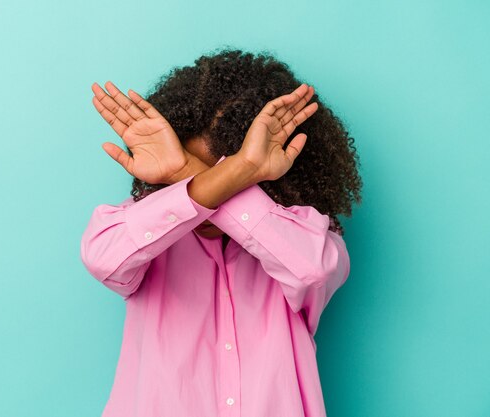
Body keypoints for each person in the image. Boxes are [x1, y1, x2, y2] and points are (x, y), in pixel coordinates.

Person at [81, 48, 362, 417]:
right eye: (204, 177)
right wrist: (232, 172)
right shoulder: (146, 229)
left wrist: (191, 174)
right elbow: (102, 257)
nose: (210, 193)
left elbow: (314, 269)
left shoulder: (305, 237)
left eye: (228, 175)